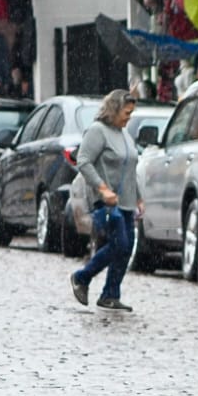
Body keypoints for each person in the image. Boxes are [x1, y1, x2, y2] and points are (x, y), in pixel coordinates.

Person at [69, 90, 145, 313]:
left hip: (127, 201)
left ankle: (110, 294)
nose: (129, 117)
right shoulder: (97, 131)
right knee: (119, 243)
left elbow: (130, 169)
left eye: (131, 113)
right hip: (106, 201)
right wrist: (102, 188)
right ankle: (82, 277)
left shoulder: (124, 135)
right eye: (126, 112)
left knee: (127, 247)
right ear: (114, 109)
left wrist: (139, 197)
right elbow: (83, 161)